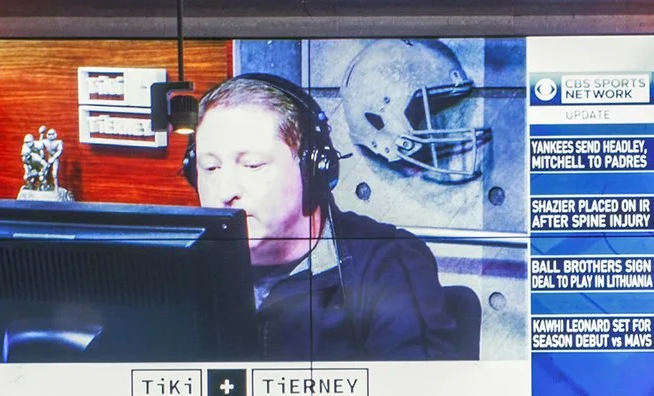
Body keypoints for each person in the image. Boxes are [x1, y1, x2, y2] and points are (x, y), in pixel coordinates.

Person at [186, 73, 467, 361]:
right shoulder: (184, 269)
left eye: (253, 165)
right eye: (210, 168)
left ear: (313, 169)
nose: (225, 191)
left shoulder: (390, 262)